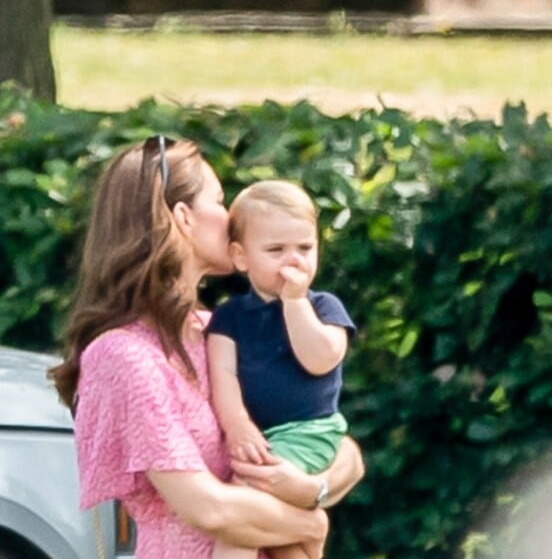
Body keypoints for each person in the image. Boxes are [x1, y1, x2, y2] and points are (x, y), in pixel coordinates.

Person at [48, 136, 364, 559]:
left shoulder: (219, 330)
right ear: (183, 217)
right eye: (218, 200)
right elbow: (208, 509)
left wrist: (313, 488)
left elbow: (343, 448)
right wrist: (310, 520)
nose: (232, 215)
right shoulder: (125, 355)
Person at [207, 180, 356, 559]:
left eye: (305, 248)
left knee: (243, 509)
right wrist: (237, 424)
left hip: (310, 432)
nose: (293, 260)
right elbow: (222, 375)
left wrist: (294, 304)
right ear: (241, 257)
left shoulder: (323, 307)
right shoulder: (229, 318)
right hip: (264, 437)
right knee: (281, 538)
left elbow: (320, 358)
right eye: (276, 250)